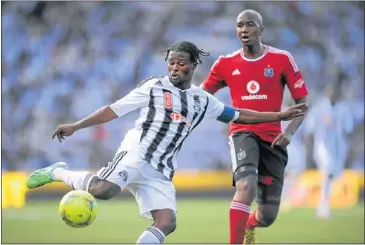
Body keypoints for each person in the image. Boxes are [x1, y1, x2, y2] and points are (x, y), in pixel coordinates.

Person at [27, 41, 307, 244]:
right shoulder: (154, 86)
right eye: (171, 62)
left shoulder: (202, 99)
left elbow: (240, 114)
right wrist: (76, 126)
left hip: (162, 168)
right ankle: (57, 172)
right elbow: (114, 109)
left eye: (181, 63)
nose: (174, 67)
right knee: (103, 190)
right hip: (136, 152)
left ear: (194, 65)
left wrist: (280, 115)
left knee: (166, 222)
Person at [200, 10, 309, 244]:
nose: (244, 30)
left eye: (250, 25)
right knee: (246, 186)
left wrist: (289, 132)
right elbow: (201, 96)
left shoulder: (282, 59)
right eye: (239, 25)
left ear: (261, 30)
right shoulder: (225, 63)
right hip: (242, 132)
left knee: (268, 215)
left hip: (274, 139)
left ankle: (250, 223)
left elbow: (303, 102)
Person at [304, 83, 353, 219]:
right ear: (326, 93)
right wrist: (308, 148)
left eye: (334, 92)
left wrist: (349, 148)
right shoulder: (319, 108)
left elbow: (348, 129)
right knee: (328, 170)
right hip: (322, 146)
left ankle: (325, 203)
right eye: (330, 92)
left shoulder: (343, 109)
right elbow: (310, 129)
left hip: (339, 147)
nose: (332, 94)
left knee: (333, 175)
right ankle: (323, 205)